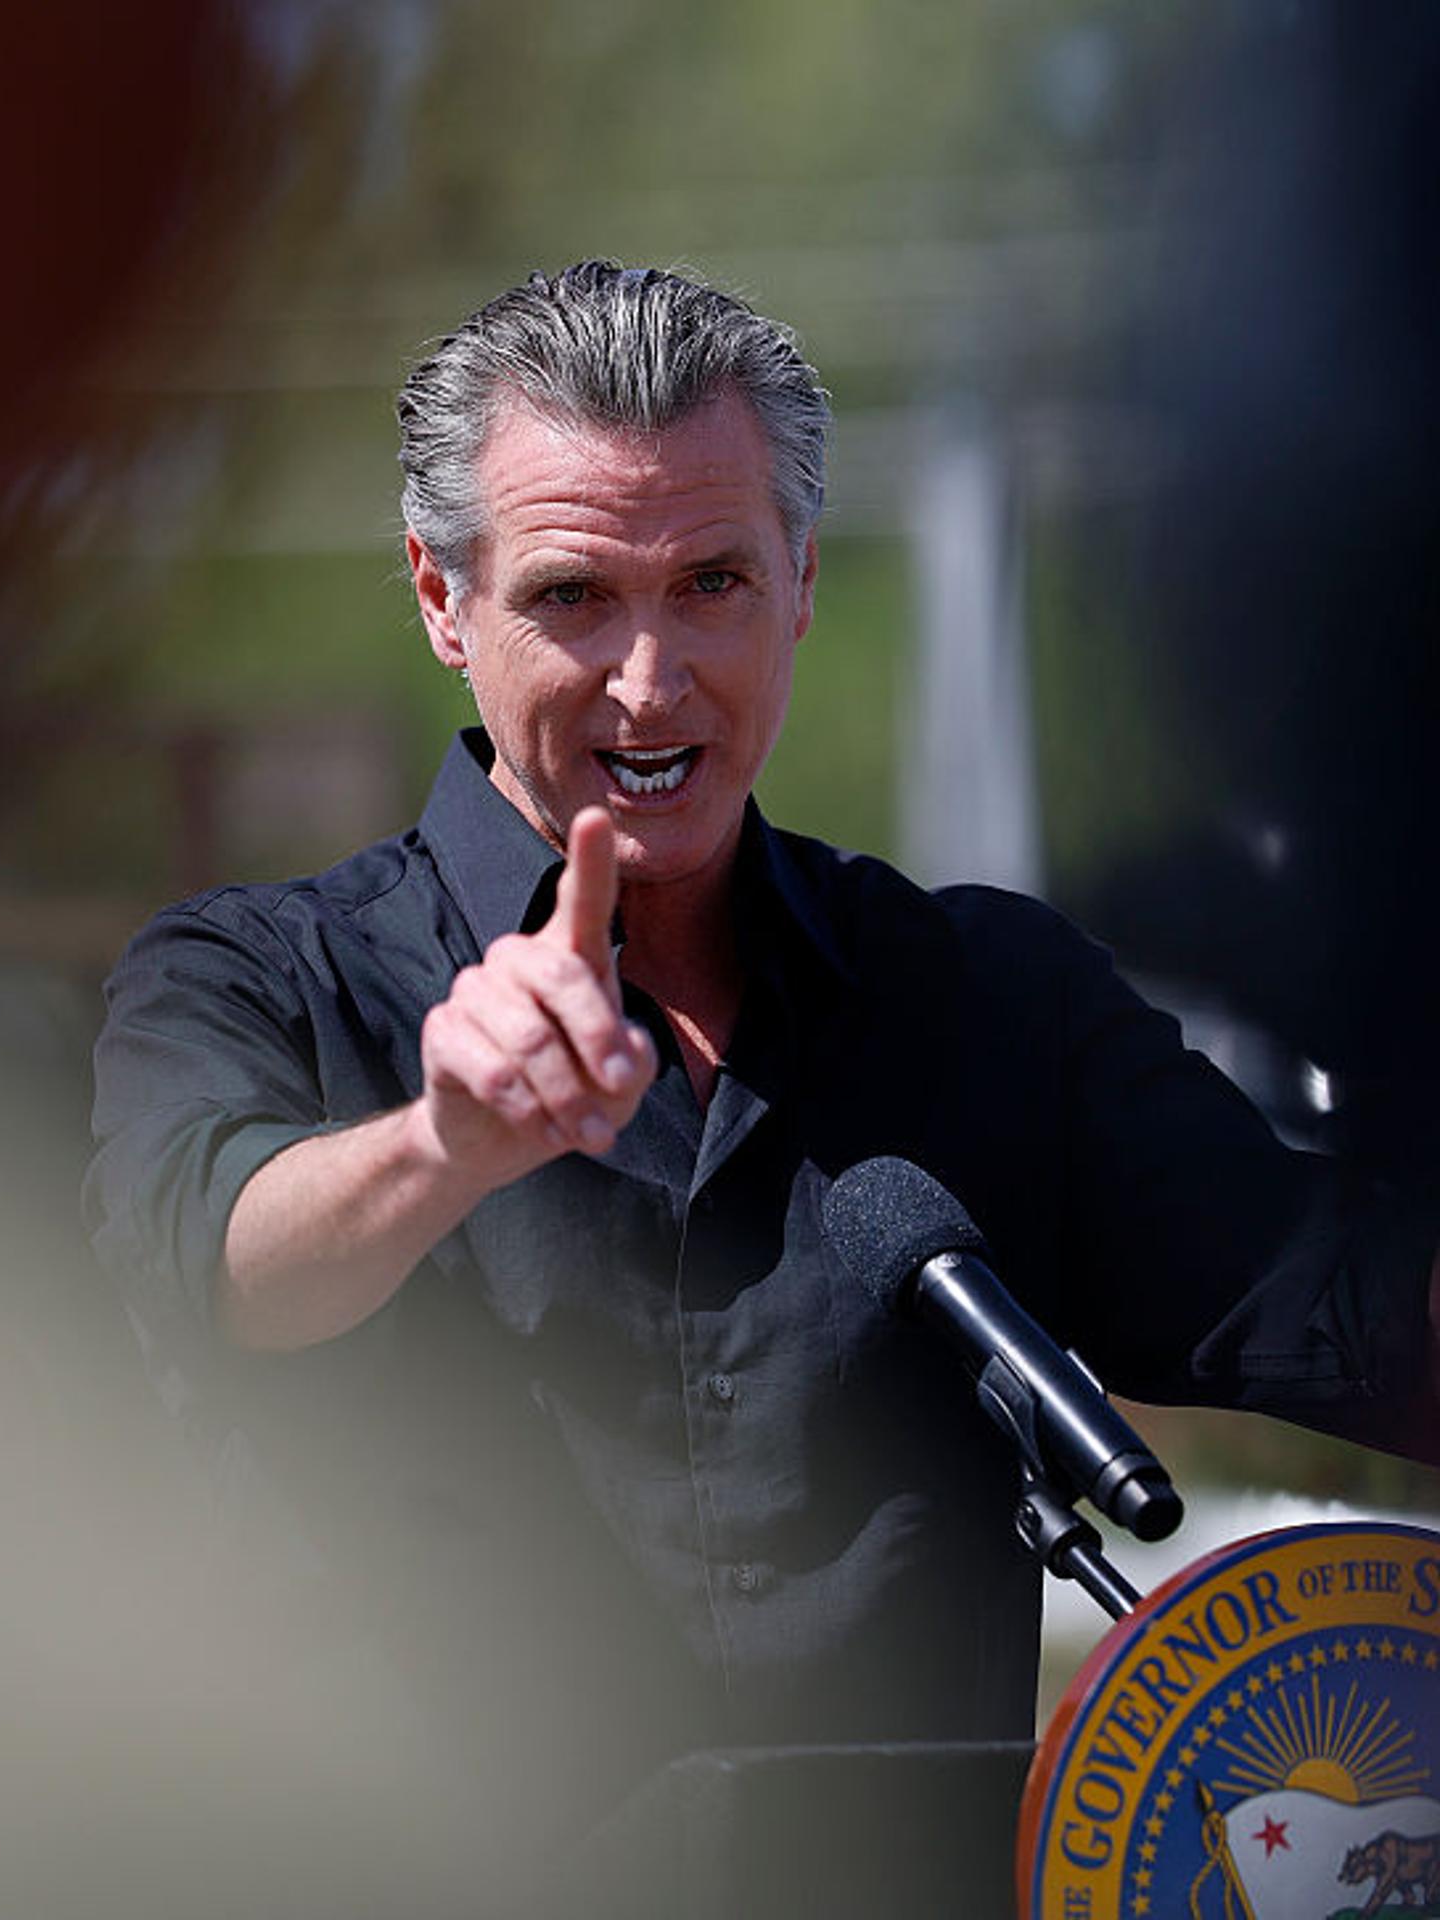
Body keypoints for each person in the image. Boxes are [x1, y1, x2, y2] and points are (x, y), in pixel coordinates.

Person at [85, 261, 1438, 1848]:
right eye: (574, 595)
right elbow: (220, 1267)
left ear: (801, 579)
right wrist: (442, 1145)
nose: (651, 680)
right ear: (443, 598)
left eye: (712, 582)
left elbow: (1354, 1309)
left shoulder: (986, 994)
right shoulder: (253, 978)